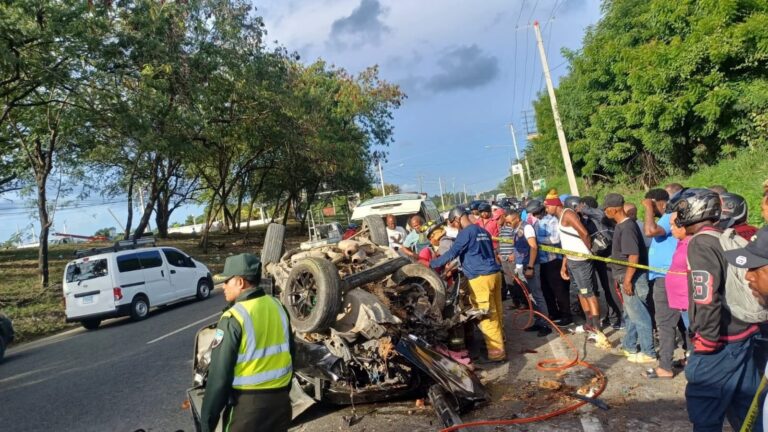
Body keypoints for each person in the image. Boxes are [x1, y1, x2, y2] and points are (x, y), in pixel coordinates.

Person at [670, 188, 762, 432]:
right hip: (744, 333)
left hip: (721, 340)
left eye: (681, 210)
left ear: (694, 211)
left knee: (705, 412)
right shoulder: (722, 236)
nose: (676, 216)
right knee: (746, 410)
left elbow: (705, 295)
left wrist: (708, 339)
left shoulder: (700, 243)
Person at [200, 253, 293, 432]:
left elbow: (219, 377)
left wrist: (207, 424)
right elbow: (291, 354)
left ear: (240, 282)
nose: (223, 286)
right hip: (281, 403)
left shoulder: (233, 318)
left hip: (248, 410)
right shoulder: (278, 306)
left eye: (227, 281)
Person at [431, 207, 506, 363]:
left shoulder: (466, 233)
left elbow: (452, 254)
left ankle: (496, 353)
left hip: (480, 278)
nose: (454, 226)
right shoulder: (482, 231)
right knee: (497, 310)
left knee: (486, 315)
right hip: (495, 274)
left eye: (453, 223)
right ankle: (502, 342)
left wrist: (432, 265)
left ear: (457, 219)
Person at [603, 193, 656, 363]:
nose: (605, 212)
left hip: (632, 278)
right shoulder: (621, 226)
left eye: (606, 209)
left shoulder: (627, 228)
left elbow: (633, 256)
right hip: (627, 276)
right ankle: (629, 345)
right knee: (630, 315)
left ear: (615, 209)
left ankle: (648, 352)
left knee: (639, 315)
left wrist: (627, 281)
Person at [547, 193, 604, 340]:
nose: (546, 208)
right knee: (580, 292)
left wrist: (588, 250)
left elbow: (584, 233)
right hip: (572, 260)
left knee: (588, 293)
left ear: (556, 205)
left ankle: (597, 330)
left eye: (548, 205)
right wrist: (564, 264)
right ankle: (589, 323)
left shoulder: (568, 214)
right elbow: (567, 243)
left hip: (581, 260)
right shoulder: (559, 217)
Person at [641, 188, 679, 378]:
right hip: (666, 276)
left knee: (664, 322)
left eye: (651, 205)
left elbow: (650, 231)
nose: (649, 210)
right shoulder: (669, 218)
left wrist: (649, 207)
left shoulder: (667, 216)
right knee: (680, 322)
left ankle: (665, 366)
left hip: (667, 278)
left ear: (660, 203)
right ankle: (689, 355)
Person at [505, 209, 552, 336]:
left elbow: (533, 247)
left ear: (516, 219)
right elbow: (521, 247)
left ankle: (545, 325)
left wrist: (530, 266)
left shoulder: (527, 228)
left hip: (529, 266)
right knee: (530, 296)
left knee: (537, 295)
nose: (507, 224)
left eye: (509, 222)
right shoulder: (516, 230)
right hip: (521, 265)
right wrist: (514, 255)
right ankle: (538, 321)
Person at [579, 196, 623, 329]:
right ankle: (613, 316)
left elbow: (600, 214)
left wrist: (586, 209)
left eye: (582, 206)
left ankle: (621, 318)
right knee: (605, 290)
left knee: (612, 289)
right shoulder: (585, 220)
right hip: (598, 259)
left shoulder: (600, 217)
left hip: (609, 257)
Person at [528, 199, 572, 325]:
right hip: (541, 261)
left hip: (554, 260)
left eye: (535, 212)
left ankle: (566, 315)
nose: (534, 215)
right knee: (546, 290)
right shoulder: (537, 222)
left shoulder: (552, 220)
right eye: (532, 213)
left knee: (559, 290)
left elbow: (555, 239)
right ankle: (553, 312)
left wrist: (537, 240)